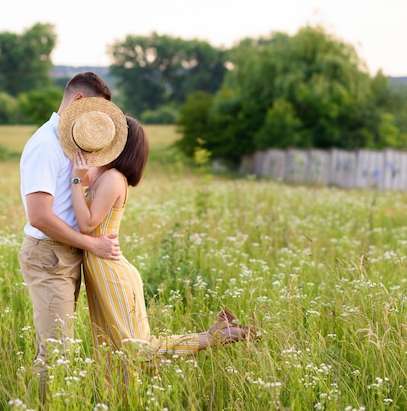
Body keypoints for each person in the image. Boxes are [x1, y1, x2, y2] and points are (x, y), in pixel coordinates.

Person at [59, 112, 256, 393]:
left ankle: (218, 337)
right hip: (101, 272)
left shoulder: (114, 178)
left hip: (111, 274)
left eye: (111, 137)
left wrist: (77, 181)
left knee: (139, 351)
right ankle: (124, 399)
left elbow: (88, 223)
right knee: (114, 353)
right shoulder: (104, 175)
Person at [18, 72, 124, 405]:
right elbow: (39, 215)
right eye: (95, 112)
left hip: (64, 253)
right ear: (78, 101)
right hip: (49, 255)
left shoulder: (66, 144)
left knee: (57, 346)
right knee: (56, 353)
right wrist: (92, 244)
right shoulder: (45, 146)